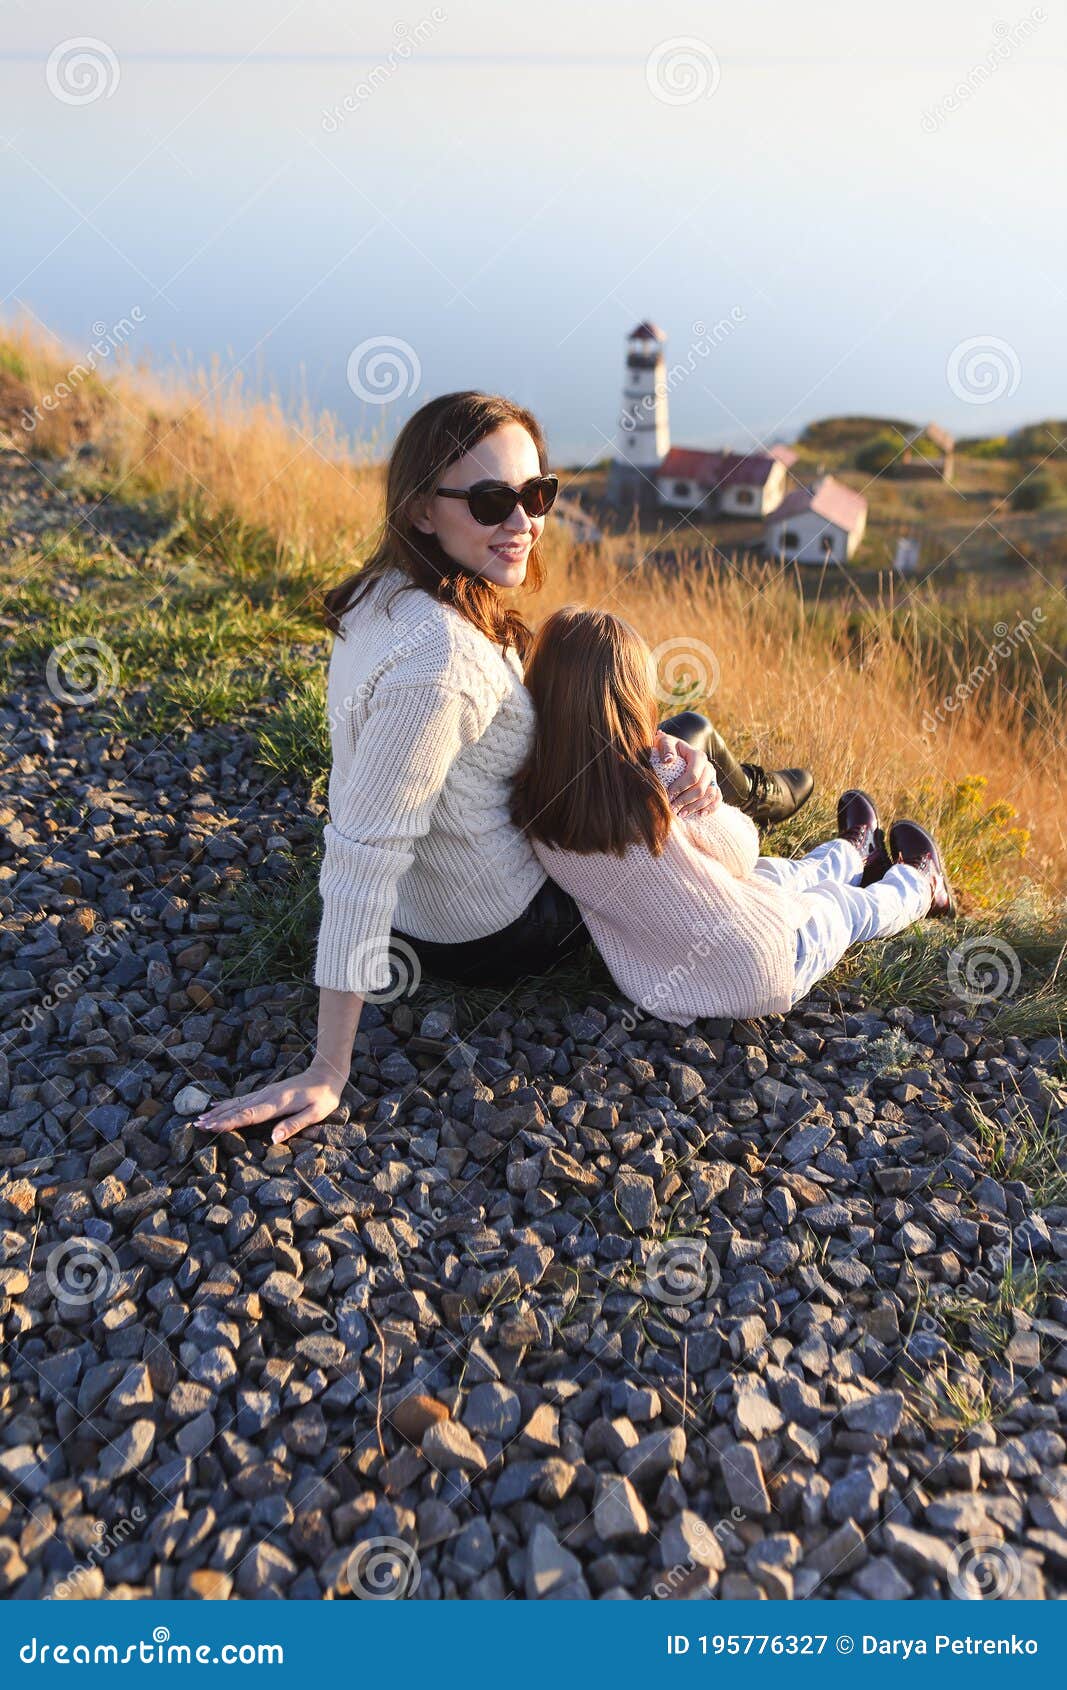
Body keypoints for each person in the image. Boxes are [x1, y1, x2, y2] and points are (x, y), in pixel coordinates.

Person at [194, 392, 811, 1143]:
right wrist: (328, 1067)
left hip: (445, 897)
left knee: (667, 734)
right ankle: (752, 802)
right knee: (683, 728)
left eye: (535, 493)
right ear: (423, 510)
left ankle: (734, 785)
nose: (521, 522)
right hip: (498, 927)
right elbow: (363, 856)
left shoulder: (384, 594)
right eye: (490, 502)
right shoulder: (441, 665)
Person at [511, 606, 954, 1027]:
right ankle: (921, 886)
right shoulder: (659, 780)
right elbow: (741, 850)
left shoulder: (539, 808)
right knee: (846, 907)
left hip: (670, 982)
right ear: (634, 701)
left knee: (775, 875)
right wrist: (691, 777)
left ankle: (856, 854)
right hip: (769, 959)